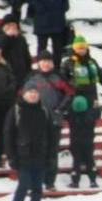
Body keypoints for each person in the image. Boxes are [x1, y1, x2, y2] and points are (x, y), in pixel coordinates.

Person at [61, 37, 102, 187]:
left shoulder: (92, 63)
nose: (81, 50)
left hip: (91, 104)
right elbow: (62, 83)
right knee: (75, 142)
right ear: (74, 48)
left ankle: (92, 177)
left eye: (83, 48)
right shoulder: (68, 64)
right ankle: (75, 177)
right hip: (74, 106)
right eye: (79, 48)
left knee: (88, 141)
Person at [3, 85, 51, 201]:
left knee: (37, 188)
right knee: (23, 186)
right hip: (22, 155)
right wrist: (11, 156)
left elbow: (52, 135)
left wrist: (51, 156)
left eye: (35, 92)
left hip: (40, 154)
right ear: (24, 94)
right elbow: (8, 134)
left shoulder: (44, 110)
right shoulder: (16, 110)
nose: (33, 95)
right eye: (30, 92)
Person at [23, 51, 71, 181]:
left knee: (52, 150)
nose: (46, 64)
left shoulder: (59, 77)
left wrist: (60, 108)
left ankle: (50, 180)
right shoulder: (32, 77)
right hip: (36, 119)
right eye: (43, 61)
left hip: (54, 118)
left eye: (49, 61)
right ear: (38, 62)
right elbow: (24, 95)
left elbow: (69, 93)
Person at [0, 19, 33, 91]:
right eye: (8, 25)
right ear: (3, 27)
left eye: (13, 25)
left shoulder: (21, 38)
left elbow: (26, 56)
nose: (11, 28)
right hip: (4, 72)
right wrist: (6, 36)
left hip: (20, 72)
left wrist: (29, 70)